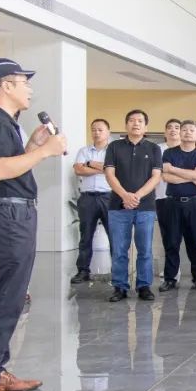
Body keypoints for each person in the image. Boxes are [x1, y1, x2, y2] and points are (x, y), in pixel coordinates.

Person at [0, 58, 66, 391]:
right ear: (6, 86)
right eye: (25, 82)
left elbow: (10, 168)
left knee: (10, 298)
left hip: (12, 214)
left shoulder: (3, 122)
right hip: (7, 217)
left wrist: (32, 147)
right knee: (4, 299)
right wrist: (44, 151)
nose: (30, 89)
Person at [104, 109, 163, 303]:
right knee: (119, 249)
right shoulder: (114, 147)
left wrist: (136, 196)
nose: (135, 124)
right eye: (131, 120)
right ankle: (119, 286)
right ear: (126, 124)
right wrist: (124, 195)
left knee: (145, 249)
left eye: (140, 121)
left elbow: (156, 177)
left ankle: (144, 286)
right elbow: (110, 174)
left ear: (146, 126)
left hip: (145, 207)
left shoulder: (154, 149)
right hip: (118, 206)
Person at [158, 120, 196, 292]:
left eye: (191, 130)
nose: (187, 132)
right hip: (172, 203)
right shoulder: (169, 153)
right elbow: (166, 177)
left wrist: (174, 169)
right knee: (171, 242)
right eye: (184, 129)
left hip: (195, 203)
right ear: (180, 133)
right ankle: (170, 279)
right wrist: (193, 178)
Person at [67, 119, 114, 284]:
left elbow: (115, 170)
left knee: (114, 235)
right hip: (87, 198)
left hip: (109, 197)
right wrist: (104, 169)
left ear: (108, 132)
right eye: (93, 129)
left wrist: (90, 164)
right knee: (85, 236)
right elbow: (78, 169)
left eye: (100, 130)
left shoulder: (113, 151)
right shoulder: (84, 150)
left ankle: (118, 271)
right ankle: (83, 271)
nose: (96, 133)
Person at [155, 119, 181, 283]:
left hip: (187, 198)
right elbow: (157, 173)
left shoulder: (188, 148)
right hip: (162, 197)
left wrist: (169, 173)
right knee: (168, 237)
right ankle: (171, 270)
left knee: (192, 237)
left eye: (177, 127)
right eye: (169, 127)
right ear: (165, 132)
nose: (173, 130)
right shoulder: (157, 149)